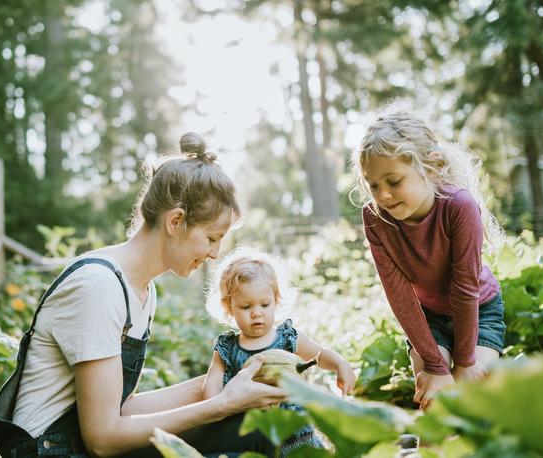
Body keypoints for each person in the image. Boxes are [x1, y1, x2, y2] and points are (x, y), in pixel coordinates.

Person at [0, 132, 287, 458]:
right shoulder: (99, 287)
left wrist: (229, 381)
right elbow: (102, 439)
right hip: (48, 452)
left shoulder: (141, 290)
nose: (216, 254)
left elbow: (122, 409)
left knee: (254, 421)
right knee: (249, 431)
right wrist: (220, 405)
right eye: (212, 238)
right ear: (176, 220)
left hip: (77, 444)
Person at [350, 104, 507, 411]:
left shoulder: (458, 207)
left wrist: (463, 363)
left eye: (394, 181)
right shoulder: (376, 218)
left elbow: (465, 289)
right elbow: (399, 295)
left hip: (479, 309)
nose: (383, 195)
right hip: (428, 319)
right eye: (373, 186)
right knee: (436, 402)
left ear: (431, 168)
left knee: (470, 399)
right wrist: (435, 366)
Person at [202, 247, 356, 454]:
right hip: (252, 431)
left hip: (294, 429)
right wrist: (217, 407)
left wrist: (340, 364)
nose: (257, 313)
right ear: (229, 307)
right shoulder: (227, 348)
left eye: (265, 304)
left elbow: (318, 354)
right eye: (246, 307)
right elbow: (211, 387)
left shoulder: (287, 338)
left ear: (276, 300)